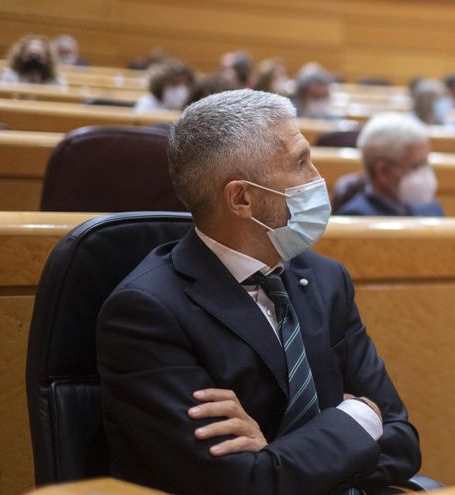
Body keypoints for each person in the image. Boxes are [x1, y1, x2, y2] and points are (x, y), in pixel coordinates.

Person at [96, 90, 421, 495]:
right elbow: (243, 484)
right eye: (301, 162)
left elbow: (402, 442)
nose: (319, 177)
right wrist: (356, 420)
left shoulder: (326, 280)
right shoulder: (148, 313)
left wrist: (277, 453)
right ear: (242, 198)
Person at [337, 113, 443, 216]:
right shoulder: (357, 218)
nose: (425, 173)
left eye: (426, 163)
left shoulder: (432, 208)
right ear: (383, 171)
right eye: (417, 166)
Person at [0, 34, 65, 85]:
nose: (34, 60)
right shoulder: (10, 76)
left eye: (38, 57)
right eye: (30, 55)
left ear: (47, 58)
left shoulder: (55, 80)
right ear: (21, 56)